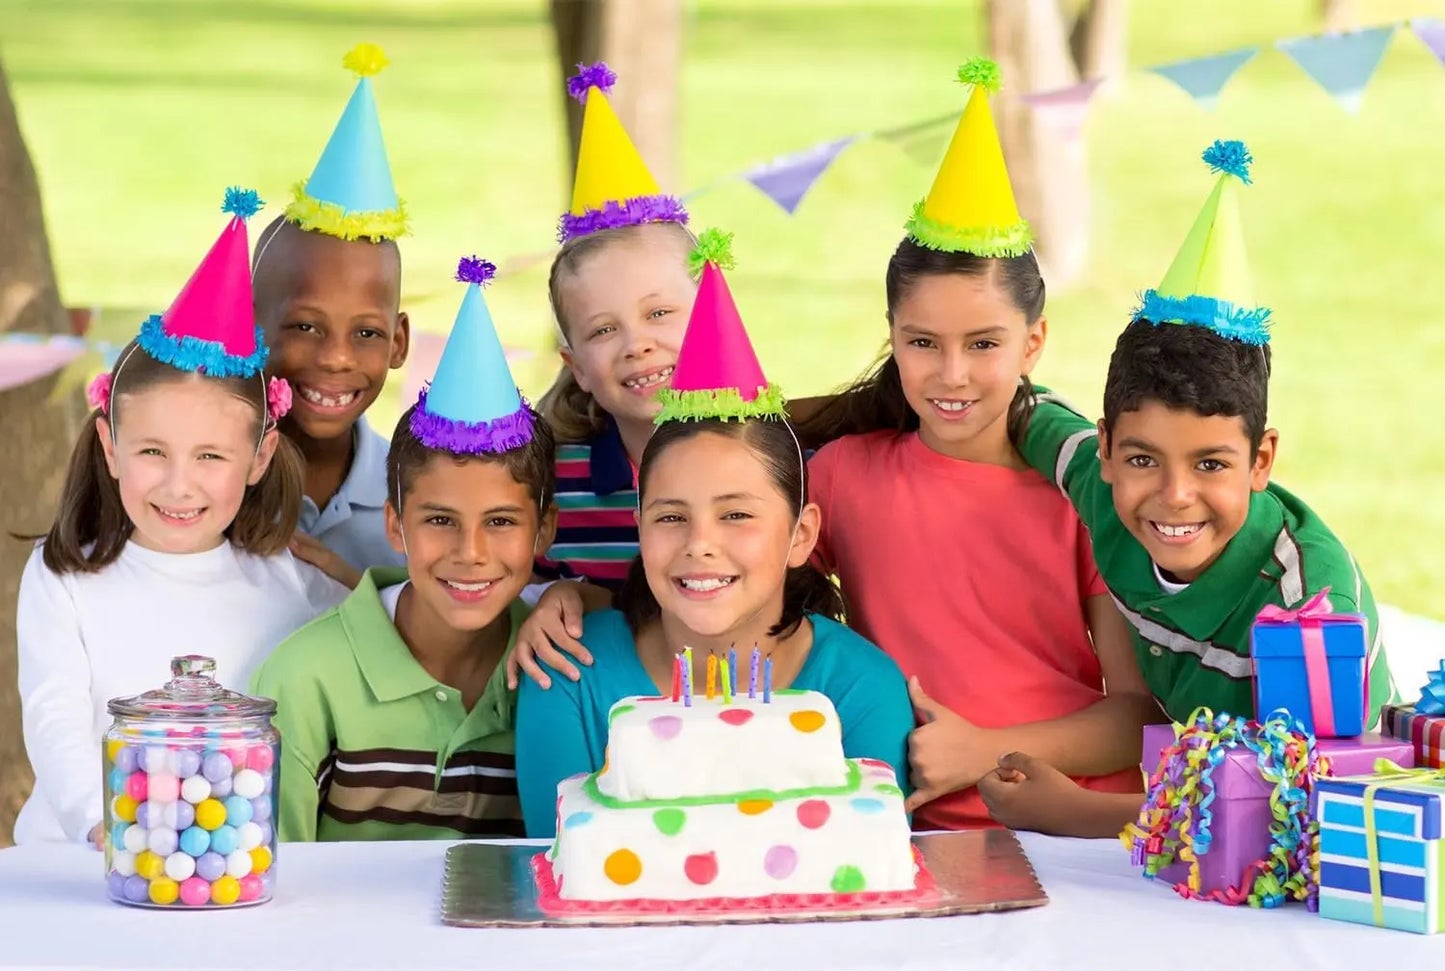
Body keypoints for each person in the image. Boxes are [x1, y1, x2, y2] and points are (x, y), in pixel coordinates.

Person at [978, 141, 1394, 837]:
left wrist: (1079, 813)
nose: (1173, 496)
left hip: (1334, 847)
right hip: (1193, 792)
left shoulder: (1306, 604)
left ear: (1260, 461)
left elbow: (1307, 810)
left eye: (1210, 464)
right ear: (1106, 449)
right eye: (1143, 460)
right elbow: (1013, 403)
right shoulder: (1095, 477)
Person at [798, 59, 1157, 830]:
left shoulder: (1083, 492)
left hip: (1079, 822)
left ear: (1033, 344)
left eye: (983, 343)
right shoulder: (841, 479)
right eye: (922, 341)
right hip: (914, 830)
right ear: (890, 337)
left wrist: (984, 749)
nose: (951, 374)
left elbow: (1134, 714)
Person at [516, 234, 912, 836]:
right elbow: (562, 859)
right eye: (671, 516)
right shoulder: (567, 681)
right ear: (638, 525)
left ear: (802, 534)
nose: (700, 542)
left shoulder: (863, 691)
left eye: (736, 515)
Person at [14, 189, 347, 847]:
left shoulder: (297, 584)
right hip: (79, 866)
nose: (178, 483)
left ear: (259, 457)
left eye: (211, 456)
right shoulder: (65, 576)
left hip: (227, 865)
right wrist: (100, 824)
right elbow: (53, 715)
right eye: (151, 452)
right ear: (110, 446)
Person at [253, 259, 557, 843]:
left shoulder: (560, 674)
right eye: (440, 520)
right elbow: (270, 875)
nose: (470, 552)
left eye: (500, 521)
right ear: (395, 525)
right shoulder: (305, 679)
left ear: (545, 531)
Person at [508, 61, 699, 683]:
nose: (637, 346)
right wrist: (558, 597)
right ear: (577, 369)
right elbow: (526, 595)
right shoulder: (560, 481)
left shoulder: (771, 462)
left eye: (661, 314)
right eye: (604, 330)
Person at [251, 43, 410, 581]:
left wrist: (359, 604)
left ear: (399, 342)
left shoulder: (418, 501)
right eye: (305, 326)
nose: (337, 357)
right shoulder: (201, 485)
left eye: (366, 332)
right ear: (245, 324)